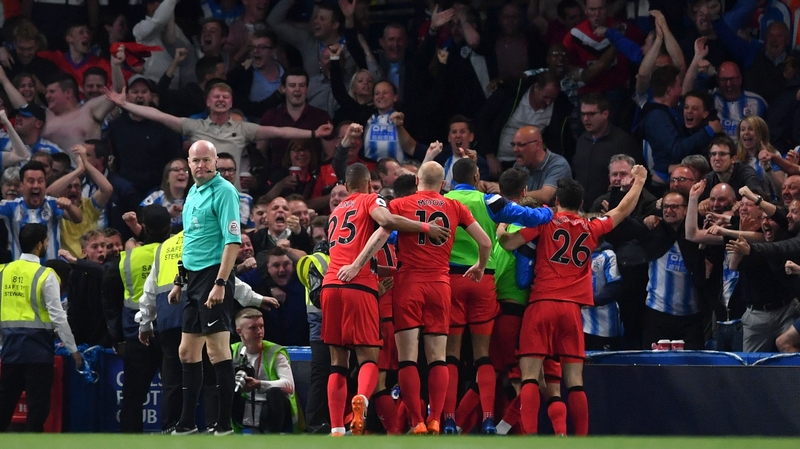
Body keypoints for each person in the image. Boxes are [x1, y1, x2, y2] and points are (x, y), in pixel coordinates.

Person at [338, 162, 491, 435]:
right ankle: (436, 419)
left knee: (408, 358)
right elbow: (486, 242)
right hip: (440, 285)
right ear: (443, 184)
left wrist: (357, 263)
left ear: (417, 179)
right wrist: (480, 266)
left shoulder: (400, 204)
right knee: (438, 357)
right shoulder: (455, 206)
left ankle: (417, 421)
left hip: (408, 284)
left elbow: (381, 235)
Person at [499, 165, 647, 435]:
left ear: (556, 201)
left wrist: (500, 230)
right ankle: (580, 439)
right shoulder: (591, 228)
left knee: (530, 376)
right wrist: (639, 182)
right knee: (575, 382)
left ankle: (529, 437)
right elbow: (622, 211)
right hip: (571, 310)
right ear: (580, 204)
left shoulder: (545, 222)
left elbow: (509, 243)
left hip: (541, 304)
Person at [320, 162, 451, 436]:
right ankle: (364, 403)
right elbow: (387, 222)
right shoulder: (372, 200)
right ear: (369, 184)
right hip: (361, 286)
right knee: (370, 359)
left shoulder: (334, 213)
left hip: (331, 284)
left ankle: (335, 429)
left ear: (345, 185)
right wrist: (425, 227)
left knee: (338, 361)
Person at [440, 157, 553, 434]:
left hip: (450, 280)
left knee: (450, 356)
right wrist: (550, 212)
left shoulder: (443, 202)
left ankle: (449, 420)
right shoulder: (487, 201)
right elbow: (530, 217)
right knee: (483, 357)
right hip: (483, 280)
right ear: (477, 175)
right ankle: (490, 420)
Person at [104, 82, 333, 188]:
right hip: (201, 191)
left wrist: (313, 132)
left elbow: (279, 131)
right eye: (216, 97)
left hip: (233, 193)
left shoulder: (243, 128)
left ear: (232, 102)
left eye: (226, 97)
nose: (221, 100)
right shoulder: (194, 126)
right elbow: (158, 115)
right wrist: (125, 105)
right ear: (208, 102)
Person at [169, 140, 242, 435]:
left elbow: (232, 241)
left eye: (206, 161)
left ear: (215, 162)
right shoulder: (192, 193)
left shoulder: (224, 192)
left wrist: (221, 282)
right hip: (194, 280)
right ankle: (187, 423)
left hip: (214, 275)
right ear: (188, 163)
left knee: (217, 351)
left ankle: (223, 424)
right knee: (187, 351)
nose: (201, 166)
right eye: (196, 161)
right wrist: (179, 281)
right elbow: (190, 240)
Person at [0, 223, 83, 432]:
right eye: (46, 241)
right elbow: (58, 317)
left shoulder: (3, 271)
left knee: (4, 405)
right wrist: (73, 350)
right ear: (40, 245)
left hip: (10, 350)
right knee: (37, 410)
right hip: (37, 351)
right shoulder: (46, 275)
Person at [102, 205, 172, 433]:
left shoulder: (128, 257)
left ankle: (129, 442)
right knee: (174, 388)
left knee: (133, 396)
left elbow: (111, 298)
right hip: (171, 331)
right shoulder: (176, 253)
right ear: (169, 227)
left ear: (144, 227)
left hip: (137, 334)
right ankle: (175, 434)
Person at [231, 307, 300, 433]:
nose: (259, 331)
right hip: (245, 407)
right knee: (222, 390)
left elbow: (289, 385)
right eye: (253, 328)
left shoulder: (275, 352)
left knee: (275, 393)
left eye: (261, 326)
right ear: (239, 331)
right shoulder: (232, 351)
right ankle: (220, 429)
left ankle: (273, 436)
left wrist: (259, 384)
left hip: (271, 409)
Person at [0, 160, 82, 260]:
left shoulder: (53, 204)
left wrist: (69, 207)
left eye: (40, 181)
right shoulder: (10, 207)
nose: (36, 185)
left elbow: (78, 218)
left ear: (45, 183)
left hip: (50, 270)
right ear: (21, 185)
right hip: (21, 271)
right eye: (31, 181)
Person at [572, 93, 640, 207]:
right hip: (581, 208)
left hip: (608, 207)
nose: (585, 119)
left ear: (605, 114)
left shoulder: (622, 141)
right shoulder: (582, 140)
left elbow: (634, 176)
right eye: (583, 114)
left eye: (591, 114)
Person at [46, 144, 114, 259]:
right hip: (65, 263)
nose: (73, 190)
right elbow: (48, 193)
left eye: (77, 186)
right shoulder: (55, 207)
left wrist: (85, 164)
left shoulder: (89, 206)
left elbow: (107, 189)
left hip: (89, 261)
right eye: (69, 186)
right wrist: (78, 170)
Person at [511, 125, 572, 204]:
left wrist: (510, 194)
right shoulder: (518, 166)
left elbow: (545, 196)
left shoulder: (558, 165)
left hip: (559, 215)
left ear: (537, 145)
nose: (515, 149)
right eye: (513, 145)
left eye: (521, 145)